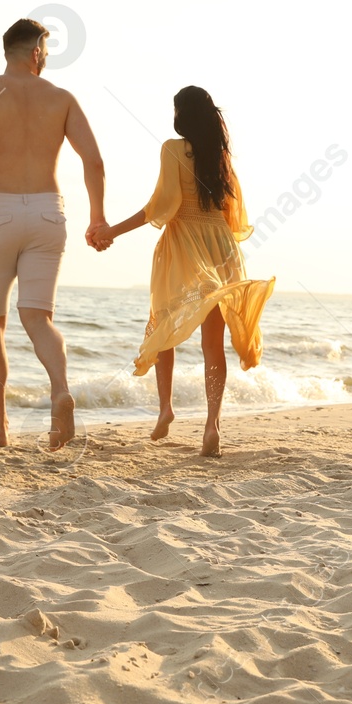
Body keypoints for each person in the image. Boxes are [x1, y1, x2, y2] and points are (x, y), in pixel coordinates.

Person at [0, 18, 107, 450]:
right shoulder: (63, 99)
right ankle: (59, 390)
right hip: (47, 214)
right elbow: (94, 161)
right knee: (38, 318)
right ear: (36, 50)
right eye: (47, 50)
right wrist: (97, 217)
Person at [94, 87, 274, 457]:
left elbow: (158, 207)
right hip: (222, 248)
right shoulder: (221, 157)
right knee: (213, 345)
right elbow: (235, 218)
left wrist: (110, 231)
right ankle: (213, 424)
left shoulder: (174, 149)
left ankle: (165, 409)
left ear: (181, 115)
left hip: (182, 247)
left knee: (165, 325)